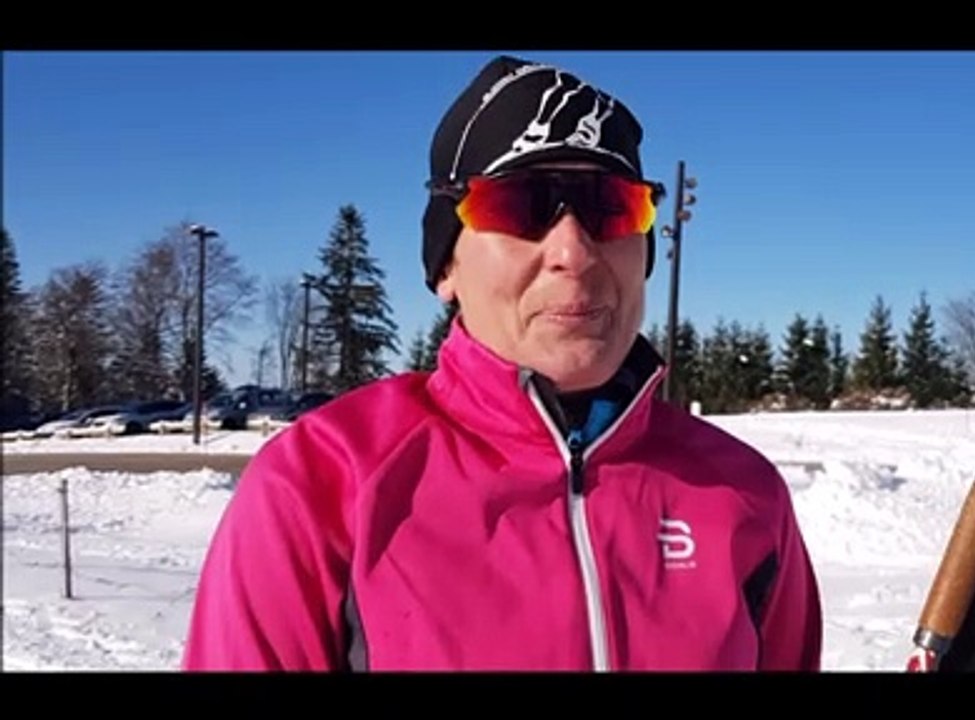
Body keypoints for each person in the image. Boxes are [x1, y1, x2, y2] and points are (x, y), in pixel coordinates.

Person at [182, 54, 823, 672]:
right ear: (446, 265)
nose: (573, 250)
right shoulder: (322, 486)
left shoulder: (744, 494)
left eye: (611, 207)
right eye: (519, 207)